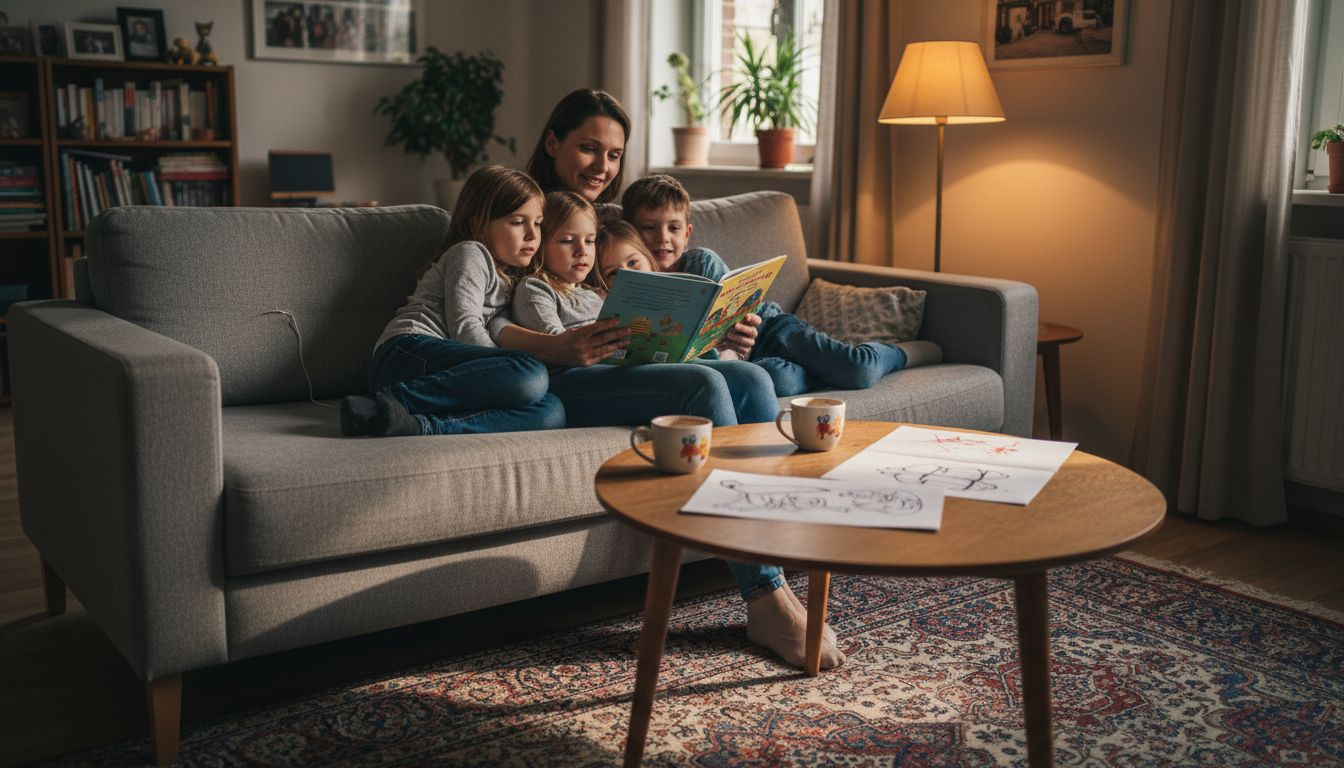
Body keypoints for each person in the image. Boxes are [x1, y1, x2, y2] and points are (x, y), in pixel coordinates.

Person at [622, 174, 943, 396]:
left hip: (771, 329)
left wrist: (734, 340)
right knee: (780, 382)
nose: (662, 238)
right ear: (630, 231)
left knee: (856, 371)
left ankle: (902, 353)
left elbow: (737, 314)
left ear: (687, 233)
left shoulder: (700, 262)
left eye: (673, 228)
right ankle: (821, 370)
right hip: (741, 363)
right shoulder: (629, 280)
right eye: (649, 228)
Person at [505, 191, 775, 429]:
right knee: (704, 381)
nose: (581, 251)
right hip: (573, 379)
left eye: (589, 241)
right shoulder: (535, 288)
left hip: (622, 368)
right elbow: (559, 348)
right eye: (567, 241)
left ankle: (771, 476)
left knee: (753, 376)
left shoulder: (593, 291)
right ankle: (723, 482)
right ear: (541, 245)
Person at [339, 165, 564, 437]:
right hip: (406, 352)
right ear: (478, 226)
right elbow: (464, 324)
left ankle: (419, 425)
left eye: (537, 223)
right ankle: (387, 401)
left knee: (551, 410)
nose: (532, 234)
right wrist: (503, 369)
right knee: (529, 372)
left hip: (448, 372)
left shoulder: (514, 278)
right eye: (518, 222)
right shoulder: (470, 252)